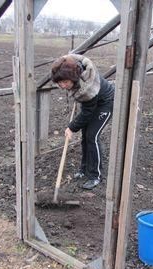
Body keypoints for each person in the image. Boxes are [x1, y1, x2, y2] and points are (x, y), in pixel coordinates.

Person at [51, 54, 115, 190]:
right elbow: (73, 55)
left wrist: (71, 127)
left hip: (105, 103)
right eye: (59, 83)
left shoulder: (87, 87)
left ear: (73, 78)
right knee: (85, 137)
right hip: (91, 103)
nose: (62, 85)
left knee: (92, 136)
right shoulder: (74, 65)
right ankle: (84, 169)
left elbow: (87, 113)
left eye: (65, 82)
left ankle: (95, 176)